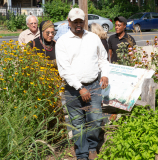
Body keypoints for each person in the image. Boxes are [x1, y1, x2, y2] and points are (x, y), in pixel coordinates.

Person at [56, 8, 109, 160]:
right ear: (69, 22)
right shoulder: (62, 42)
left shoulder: (93, 38)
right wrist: (80, 88)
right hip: (72, 89)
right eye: (75, 22)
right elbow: (64, 69)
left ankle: (92, 147)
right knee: (77, 123)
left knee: (95, 118)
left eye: (81, 21)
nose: (78, 25)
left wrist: (105, 74)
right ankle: (82, 154)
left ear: (84, 22)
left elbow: (102, 59)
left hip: (93, 85)